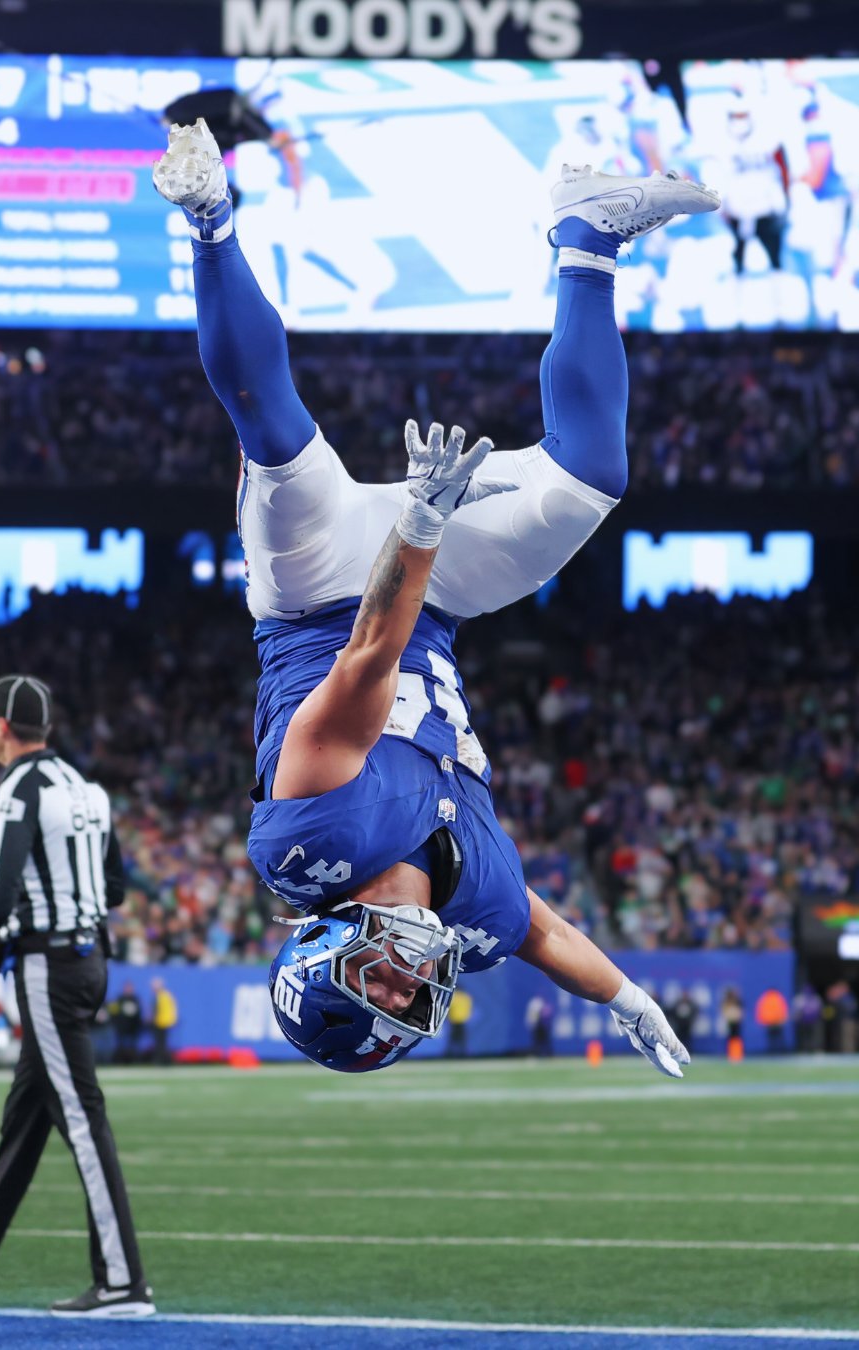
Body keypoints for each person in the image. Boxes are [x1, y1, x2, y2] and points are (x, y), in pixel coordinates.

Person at [153, 122, 719, 1075]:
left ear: (326, 955)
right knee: (587, 480)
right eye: (407, 1002)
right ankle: (587, 236)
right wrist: (628, 994)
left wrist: (419, 521)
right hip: (436, 602)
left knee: (273, 433)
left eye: (378, 987)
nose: (408, 983)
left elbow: (367, 660)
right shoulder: (467, 901)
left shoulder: (308, 837)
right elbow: (535, 928)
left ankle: (210, 222)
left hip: (318, 593)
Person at [0, 675, 153, 1318]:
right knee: (27, 1118)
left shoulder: (18, 790)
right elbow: (116, 886)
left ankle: (123, 1282)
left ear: (3, 728)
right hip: (89, 956)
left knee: (80, 1117)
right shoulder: (86, 789)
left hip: (50, 968)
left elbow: (2, 883)